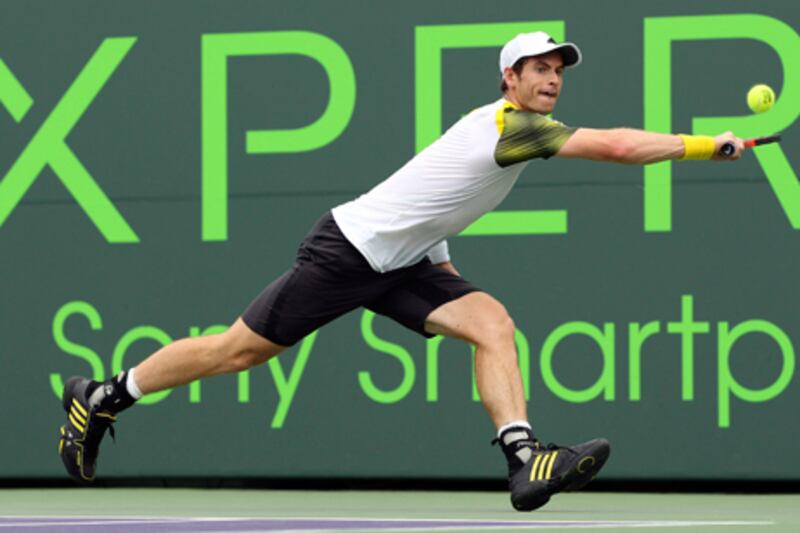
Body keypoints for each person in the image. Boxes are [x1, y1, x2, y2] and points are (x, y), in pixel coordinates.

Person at [57, 31, 744, 511]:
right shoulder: (514, 125)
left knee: (493, 324)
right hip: (349, 250)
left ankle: (523, 458)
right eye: (538, 67)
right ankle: (106, 393)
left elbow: (434, 202)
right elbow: (621, 147)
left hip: (409, 259)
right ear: (510, 78)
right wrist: (706, 144)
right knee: (239, 352)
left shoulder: (508, 128)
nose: (552, 78)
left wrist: (444, 269)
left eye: (558, 69)